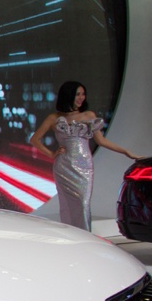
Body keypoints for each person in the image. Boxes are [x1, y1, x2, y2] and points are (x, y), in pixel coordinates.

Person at [29, 80, 139, 231]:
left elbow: (101, 141)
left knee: (83, 203)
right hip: (63, 166)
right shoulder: (53, 118)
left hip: (84, 166)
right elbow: (34, 139)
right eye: (77, 94)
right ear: (68, 96)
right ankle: (71, 236)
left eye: (83, 94)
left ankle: (86, 235)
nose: (81, 98)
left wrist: (126, 152)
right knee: (67, 205)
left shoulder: (89, 115)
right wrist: (52, 154)